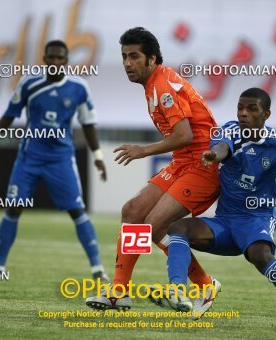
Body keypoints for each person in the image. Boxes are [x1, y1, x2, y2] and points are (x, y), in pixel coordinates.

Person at [158, 87, 276, 333]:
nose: (244, 114)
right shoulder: (229, 130)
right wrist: (213, 155)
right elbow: (223, 147)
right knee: (178, 227)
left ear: (266, 114)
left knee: (261, 257)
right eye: (240, 108)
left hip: (257, 220)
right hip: (224, 222)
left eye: (251, 109)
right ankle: (177, 290)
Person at [86, 27, 221, 313]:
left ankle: (204, 284)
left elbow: (184, 135)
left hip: (202, 165)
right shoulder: (155, 83)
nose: (127, 63)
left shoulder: (162, 86)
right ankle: (119, 292)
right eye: (124, 56)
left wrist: (142, 150)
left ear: (152, 59)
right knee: (133, 211)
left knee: (152, 226)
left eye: (134, 56)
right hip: (184, 161)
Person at [0, 40, 109, 282]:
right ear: (44, 59)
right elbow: (10, 114)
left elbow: (88, 123)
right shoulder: (29, 83)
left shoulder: (78, 88)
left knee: (77, 210)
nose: (55, 62)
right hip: (29, 157)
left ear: (67, 61)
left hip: (61, 159)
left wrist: (98, 157)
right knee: (13, 208)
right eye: (50, 57)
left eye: (60, 58)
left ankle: (97, 268)